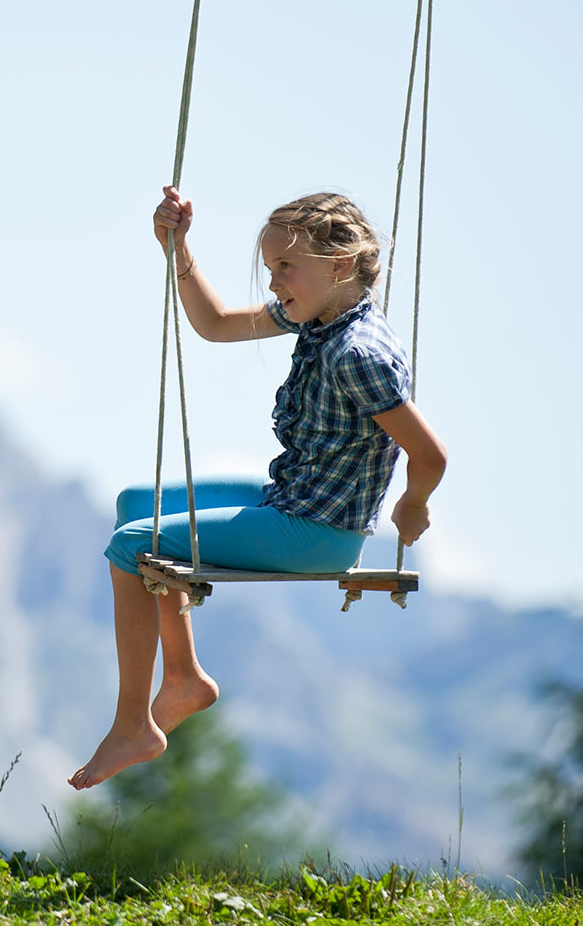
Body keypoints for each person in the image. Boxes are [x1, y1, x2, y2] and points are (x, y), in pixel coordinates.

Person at [69, 187, 448, 790]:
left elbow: (429, 453)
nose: (273, 283)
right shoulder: (321, 315)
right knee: (135, 505)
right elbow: (216, 324)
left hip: (318, 535)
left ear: (340, 265)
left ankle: (132, 724)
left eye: (284, 267)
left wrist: (412, 504)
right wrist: (179, 250)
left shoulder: (357, 353)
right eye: (271, 269)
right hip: (292, 500)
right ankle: (185, 678)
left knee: (131, 544)